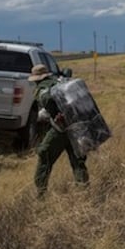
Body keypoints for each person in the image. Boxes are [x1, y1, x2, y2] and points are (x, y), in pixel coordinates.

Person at [30, 64, 88, 197]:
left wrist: (52, 111)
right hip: (76, 126)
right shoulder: (60, 82)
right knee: (77, 160)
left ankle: (40, 194)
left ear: (37, 79)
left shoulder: (42, 87)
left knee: (44, 157)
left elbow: (46, 98)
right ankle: (83, 191)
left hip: (60, 129)